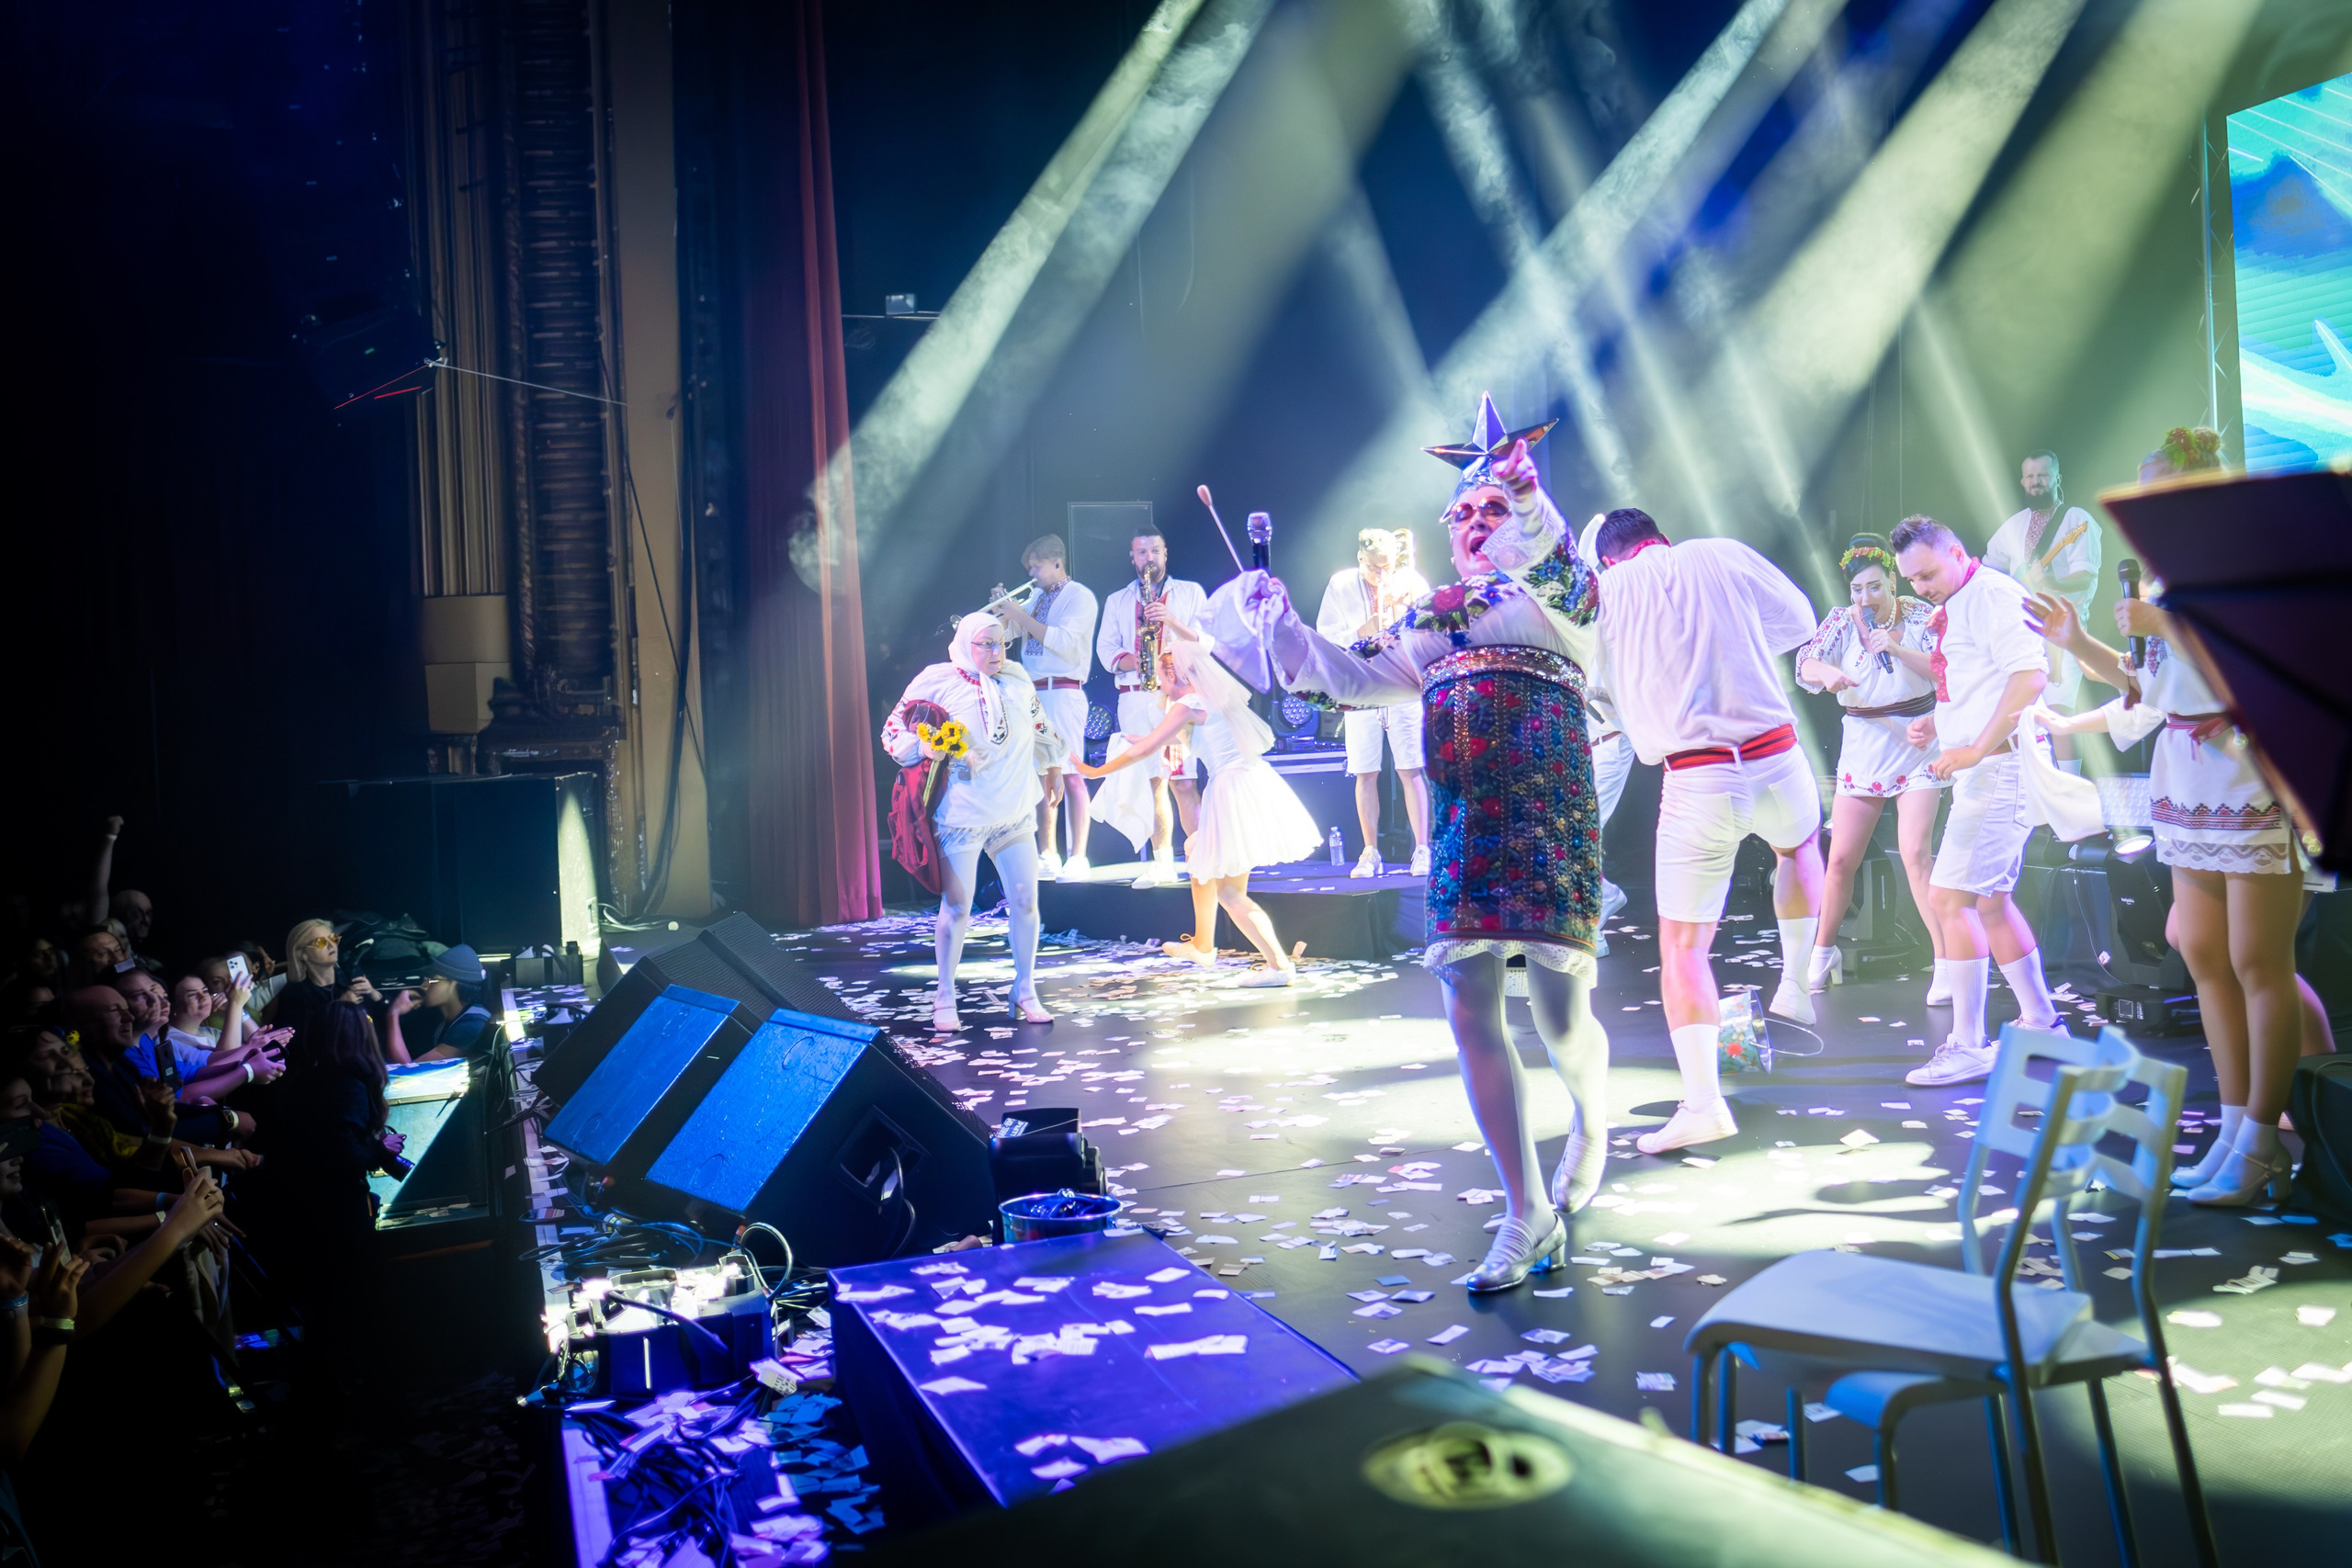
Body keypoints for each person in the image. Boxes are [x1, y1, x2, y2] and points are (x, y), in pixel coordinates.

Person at [1246, 394, 1609, 1292]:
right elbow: (1348, 674)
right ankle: (1524, 1209)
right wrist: (1280, 621)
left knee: (1560, 1018)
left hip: (1545, 819)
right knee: (1467, 1003)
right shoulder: (1430, 618)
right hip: (1459, 826)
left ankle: (1593, 1123)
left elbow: (1561, 566)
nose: (1479, 524)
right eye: (1467, 513)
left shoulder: (1552, 597)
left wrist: (1527, 502)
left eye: (1495, 511)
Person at [2023, 430, 2305, 1202]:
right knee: (2206, 955)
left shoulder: (2251, 562)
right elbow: (2142, 690)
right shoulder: (2160, 579)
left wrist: (2167, 626)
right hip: (2182, 770)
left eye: (2158, 489)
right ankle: (2232, 1129)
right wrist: (2080, 639)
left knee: (2257, 959)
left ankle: (2262, 1142)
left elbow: (2267, 666)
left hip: (2247, 765)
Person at [1591, 507, 1824, 1154]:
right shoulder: (1719, 549)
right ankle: (1798, 987)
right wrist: (1734, 639)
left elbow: (1591, 681)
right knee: (1799, 846)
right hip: (1778, 756)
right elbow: (1801, 621)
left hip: (1700, 778)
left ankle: (1703, 1104)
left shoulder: (1607, 592)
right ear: (1658, 536)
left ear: (1610, 558)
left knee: (1685, 949)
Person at [1893, 514, 2063, 1088]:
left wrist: (1974, 749)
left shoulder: (1992, 593)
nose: (1921, 587)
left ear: (1957, 552)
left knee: (1949, 898)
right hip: (1986, 766)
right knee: (1988, 902)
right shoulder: (1963, 600)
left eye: (1927, 573)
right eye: (1912, 581)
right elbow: (1979, 684)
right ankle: (2041, 1022)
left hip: (2000, 767)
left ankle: (1969, 1043)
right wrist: (1936, 726)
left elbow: (2029, 678)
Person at [1073, 641, 1318, 982]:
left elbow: (1147, 749)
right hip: (1251, 780)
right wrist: (1138, 738)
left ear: (1173, 675)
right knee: (1196, 851)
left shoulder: (1187, 703)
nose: (1157, 684)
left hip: (1232, 788)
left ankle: (1278, 965)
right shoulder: (1212, 700)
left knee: (1230, 893)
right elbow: (1174, 741)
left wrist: (1094, 771)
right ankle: (1203, 945)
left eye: (1159, 676)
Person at [882, 613, 1063, 1031]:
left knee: (1025, 901)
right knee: (958, 905)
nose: (996, 652)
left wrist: (1053, 764)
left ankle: (1025, 987)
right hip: (963, 812)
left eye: (1001, 644)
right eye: (986, 644)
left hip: (1014, 810)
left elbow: (1040, 726)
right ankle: (945, 993)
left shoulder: (1017, 680)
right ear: (966, 643)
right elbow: (894, 730)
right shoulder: (938, 678)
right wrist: (926, 747)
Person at [1792, 534, 1951, 999]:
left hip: (1920, 738)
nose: (1866, 599)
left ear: (1892, 580)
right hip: (1865, 742)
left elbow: (1946, 669)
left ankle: (1946, 961)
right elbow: (1806, 663)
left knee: (1917, 855)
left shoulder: (1921, 615)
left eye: (1875, 587)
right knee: (1840, 859)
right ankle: (1823, 952)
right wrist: (1830, 675)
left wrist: (1897, 648)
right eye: (1858, 590)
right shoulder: (1842, 622)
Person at [1095, 525, 1209, 888]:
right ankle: (1162, 864)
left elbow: (1206, 642)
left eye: (1155, 552)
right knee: (1152, 782)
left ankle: (1203, 859)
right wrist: (1141, 661)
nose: (1149, 559)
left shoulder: (1189, 593)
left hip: (1173, 700)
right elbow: (1106, 650)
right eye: (1142, 553)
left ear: (1165, 554)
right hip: (1134, 697)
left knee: (1183, 781)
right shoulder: (1118, 600)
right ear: (1133, 557)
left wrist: (1170, 621)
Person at [1316, 528, 1434, 877]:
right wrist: (1361, 630)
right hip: (1362, 686)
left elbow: (1433, 630)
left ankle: (1422, 849)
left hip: (1401, 684)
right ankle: (1370, 852)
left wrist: (1412, 608)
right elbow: (1325, 637)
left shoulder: (1412, 580)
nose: (1382, 575)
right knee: (1366, 771)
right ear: (1360, 560)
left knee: (1410, 768)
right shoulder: (1340, 585)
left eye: (1387, 567)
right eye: (1374, 568)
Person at [995, 534, 1101, 882]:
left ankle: (1078, 856)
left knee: (1070, 772)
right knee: (1041, 773)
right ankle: (1047, 853)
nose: (1032, 573)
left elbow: (1062, 643)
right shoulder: (1037, 595)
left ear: (1057, 562)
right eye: (1030, 567)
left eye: (1036, 566)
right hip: (1033, 692)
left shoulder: (1080, 597)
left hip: (1064, 691)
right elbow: (1008, 637)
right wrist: (1003, 614)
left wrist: (1019, 615)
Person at [1984, 451, 2101, 726]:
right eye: (2031, 476)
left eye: (2043, 475)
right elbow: (1988, 570)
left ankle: (2068, 771)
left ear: (2057, 478)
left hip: (2063, 631)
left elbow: (2085, 576)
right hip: (2020, 633)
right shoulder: (2013, 525)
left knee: (2060, 715)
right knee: (2019, 717)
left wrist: (2052, 582)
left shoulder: (2076, 520)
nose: (2036, 482)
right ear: (2023, 482)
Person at [384, 945, 495, 1063]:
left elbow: (411, 1072)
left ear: (453, 984)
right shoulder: (455, 1017)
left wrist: (393, 1013)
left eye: (433, 979)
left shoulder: (471, 1024)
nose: (425, 985)